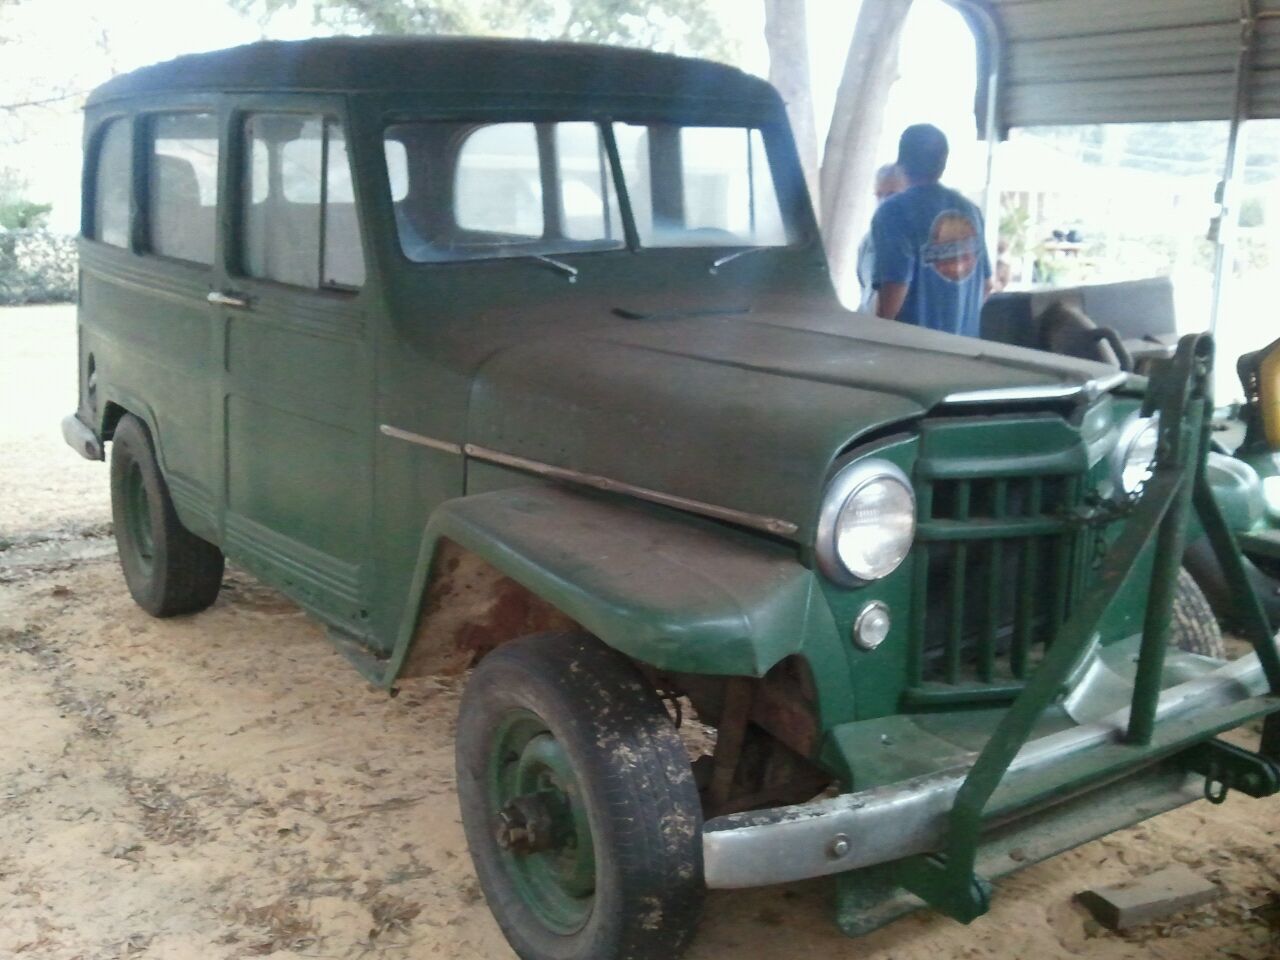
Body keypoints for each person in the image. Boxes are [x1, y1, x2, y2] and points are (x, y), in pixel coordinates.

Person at [872, 124, 991, 337]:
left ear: (901, 163)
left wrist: (873, 338)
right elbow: (987, 285)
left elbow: (894, 292)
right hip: (964, 352)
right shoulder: (970, 211)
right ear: (944, 161)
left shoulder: (894, 211)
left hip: (914, 355)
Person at [855, 163, 907, 311]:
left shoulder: (919, 245)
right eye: (879, 195)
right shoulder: (867, 243)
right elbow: (865, 294)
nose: (883, 202)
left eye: (892, 195)